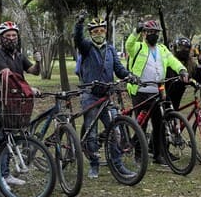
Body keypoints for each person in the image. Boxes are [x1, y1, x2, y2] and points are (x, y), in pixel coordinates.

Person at [74, 12, 131, 178]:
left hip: (107, 96)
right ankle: (94, 164)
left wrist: (128, 76)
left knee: (115, 129)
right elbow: (77, 39)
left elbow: (119, 69)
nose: (99, 34)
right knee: (91, 132)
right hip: (89, 95)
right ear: (91, 33)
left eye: (101, 30)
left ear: (105, 31)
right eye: (95, 31)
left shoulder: (111, 50)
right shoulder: (86, 48)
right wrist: (79, 24)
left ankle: (117, 164)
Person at [125, 19, 188, 159]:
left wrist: (182, 70)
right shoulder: (138, 47)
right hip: (140, 91)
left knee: (159, 123)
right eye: (150, 32)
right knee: (141, 123)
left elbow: (173, 60)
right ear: (145, 33)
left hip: (157, 91)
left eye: (156, 33)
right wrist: (136, 31)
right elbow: (128, 45)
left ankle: (159, 154)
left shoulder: (162, 49)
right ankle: (139, 155)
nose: (153, 35)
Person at [165, 37, 200, 110]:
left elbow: (197, 79)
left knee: (174, 110)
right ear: (175, 48)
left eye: (186, 48)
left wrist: (200, 64)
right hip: (167, 91)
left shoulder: (192, 64)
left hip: (179, 92)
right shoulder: (170, 61)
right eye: (181, 47)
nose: (183, 50)